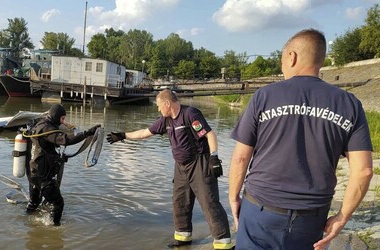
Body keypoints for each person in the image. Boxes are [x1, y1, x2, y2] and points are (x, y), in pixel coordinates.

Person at [228, 29, 373, 250]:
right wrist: (342, 217)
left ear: (292, 56)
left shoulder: (264, 96)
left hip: (260, 211)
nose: (282, 67)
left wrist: (233, 197)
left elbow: (240, 158)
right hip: (310, 218)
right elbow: (364, 171)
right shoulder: (350, 104)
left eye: (282, 59)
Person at [107, 89, 234, 249]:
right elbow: (145, 133)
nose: (158, 109)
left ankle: (223, 243)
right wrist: (123, 136)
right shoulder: (165, 121)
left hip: (199, 164)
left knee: (209, 202)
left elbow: (209, 135)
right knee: (179, 202)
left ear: (167, 103)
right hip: (180, 167)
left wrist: (214, 158)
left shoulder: (190, 115)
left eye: (160, 106)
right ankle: (183, 237)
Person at [25, 104, 101, 226]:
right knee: (58, 203)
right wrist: (87, 133)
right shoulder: (48, 130)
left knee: (34, 203)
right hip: (43, 176)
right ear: (56, 116)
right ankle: (55, 230)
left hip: (32, 172)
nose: (63, 121)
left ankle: (26, 223)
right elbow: (66, 140)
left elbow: (45, 149)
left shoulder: (39, 125)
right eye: (62, 118)